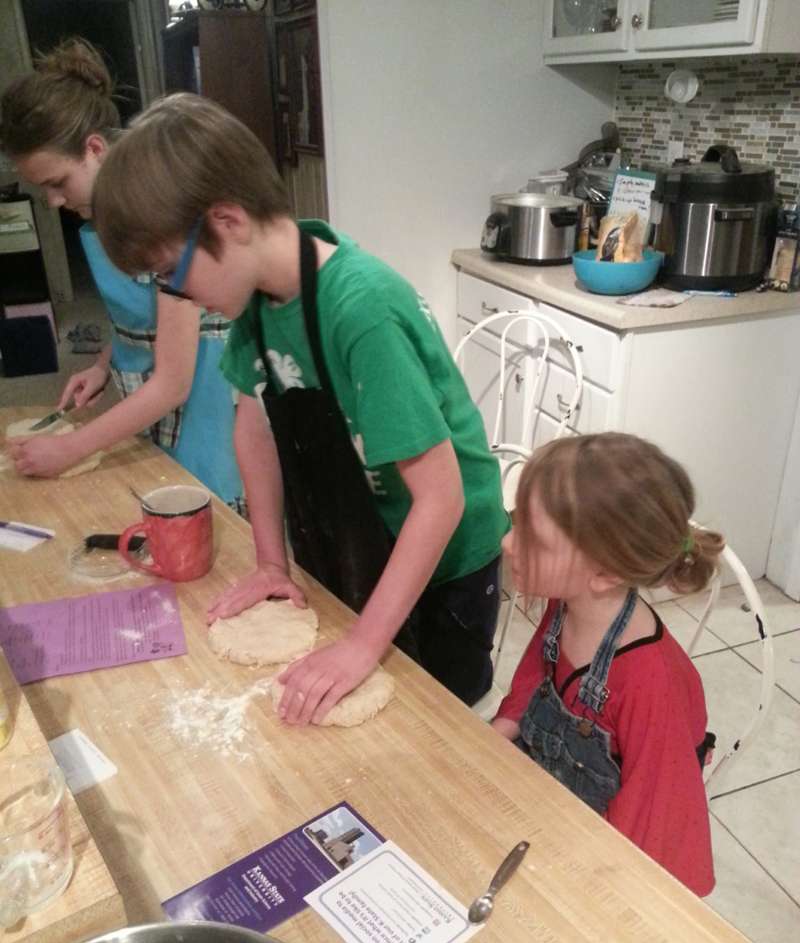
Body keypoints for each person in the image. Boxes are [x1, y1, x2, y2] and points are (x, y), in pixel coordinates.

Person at [90, 93, 509, 724]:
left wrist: (364, 645)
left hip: (445, 558)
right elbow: (254, 430)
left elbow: (441, 499)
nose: (172, 295)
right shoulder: (257, 303)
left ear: (227, 221)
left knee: (437, 728)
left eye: (168, 272)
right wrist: (267, 562)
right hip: (365, 534)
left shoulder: (360, 310)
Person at [0, 40, 242, 510]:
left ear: (94, 148)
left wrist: (71, 447)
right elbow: (144, 314)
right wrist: (102, 365)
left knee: (204, 516)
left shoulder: (165, 222)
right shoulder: (105, 218)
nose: (53, 201)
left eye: (56, 183)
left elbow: (175, 381)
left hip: (203, 407)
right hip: (152, 404)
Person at [491, 432, 723, 896]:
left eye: (533, 538)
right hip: (539, 802)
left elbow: (658, 827)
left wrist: (599, 888)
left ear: (606, 573)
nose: (508, 542)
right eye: (516, 522)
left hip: (593, 852)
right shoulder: (568, 604)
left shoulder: (651, 683)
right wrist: (503, 727)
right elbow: (537, 672)